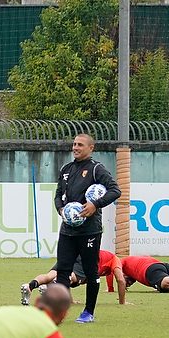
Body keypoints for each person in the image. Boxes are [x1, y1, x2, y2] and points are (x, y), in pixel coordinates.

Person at [54, 134, 121, 324]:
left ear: (91, 148)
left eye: (80, 145)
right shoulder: (66, 169)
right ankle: (59, 311)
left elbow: (115, 190)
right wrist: (61, 209)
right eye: (74, 144)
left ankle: (88, 312)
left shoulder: (96, 169)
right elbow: (58, 194)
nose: (75, 147)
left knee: (91, 272)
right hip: (67, 230)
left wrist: (95, 205)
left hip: (89, 231)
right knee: (62, 271)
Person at [20, 250, 127, 306]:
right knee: (71, 277)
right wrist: (122, 302)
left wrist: (70, 301)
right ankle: (53, 285)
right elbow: (121, 280)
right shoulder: (116, 260)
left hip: (75, 254)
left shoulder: (108, 261)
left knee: (50, 275)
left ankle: (30, 286)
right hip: (87, 258)